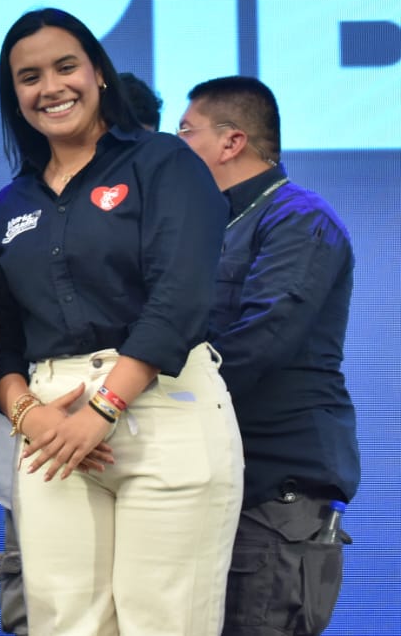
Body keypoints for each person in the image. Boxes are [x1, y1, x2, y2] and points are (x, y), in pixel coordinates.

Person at [0, 7, 242, 636]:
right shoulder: (9, 205)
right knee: (64, 623)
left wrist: (103, 409)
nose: (51, 87)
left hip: (164, 409)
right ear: (14, 97)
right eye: (29, 77)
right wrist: (30, 415)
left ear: (98, 72)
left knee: (165, 621)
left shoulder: (162, 161)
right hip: (50, 432)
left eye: (65, 67)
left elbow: (179, 296)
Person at [179, 76, 359, 636]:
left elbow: (263, 337)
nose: (174, 147)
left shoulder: (299, 219)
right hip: (214, 481)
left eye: (186, 132)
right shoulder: (208, 224)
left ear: (231, 141)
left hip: (273, 492)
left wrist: (151, 399)